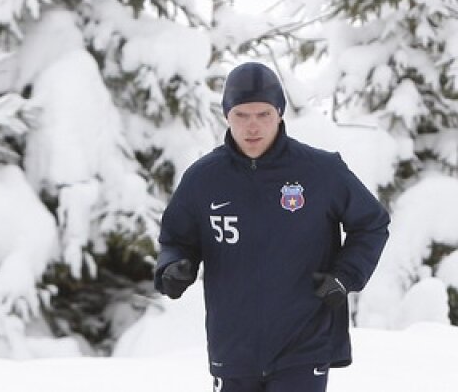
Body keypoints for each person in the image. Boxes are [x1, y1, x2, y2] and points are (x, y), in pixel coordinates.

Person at [154, 62, 389, 392]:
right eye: (242, 115)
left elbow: (372, 224)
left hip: (304, 345)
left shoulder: (321, 171)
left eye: (263, 114)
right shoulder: (203, 179)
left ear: (279, 113)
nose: (253, 126)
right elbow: (176, 240)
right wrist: (172, 269)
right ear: (226, 116)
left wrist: (345, 275)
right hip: (233, 348)